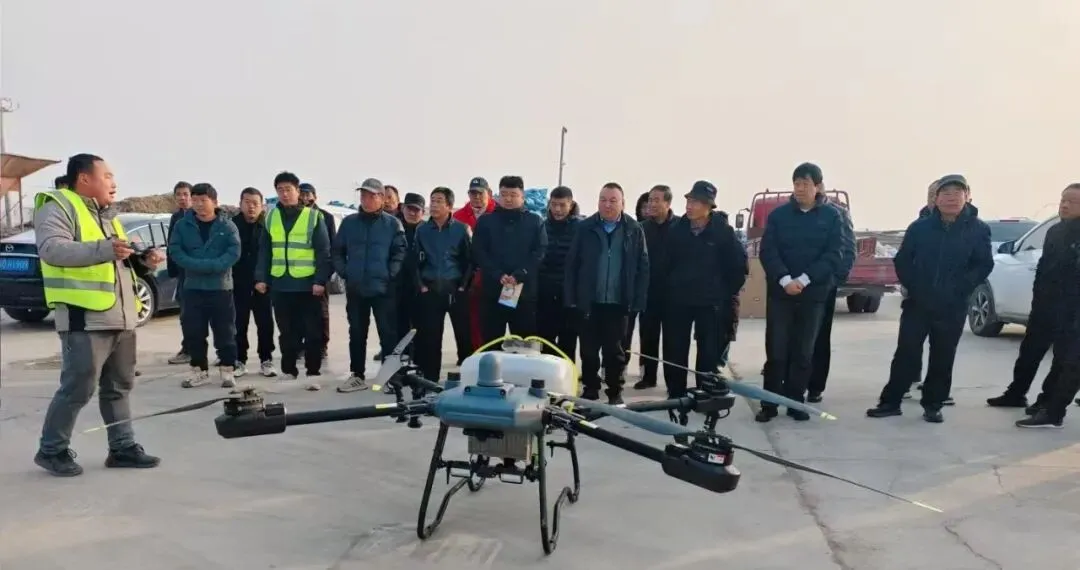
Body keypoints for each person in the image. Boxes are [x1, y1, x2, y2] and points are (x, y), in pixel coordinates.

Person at [33, 153, 163, 476]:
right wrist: (105, 249)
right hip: (85, 317)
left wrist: (142, 260)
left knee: (120, 386)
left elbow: (119, 260)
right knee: (78, 386)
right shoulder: (58, 206)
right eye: (107, 176)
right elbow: (51, 249)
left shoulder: (108, 217)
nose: (113, 183)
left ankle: (122, 447)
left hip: (121, 316)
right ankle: (51, 450)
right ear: (84, 179)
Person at [867, 174, 993, 423]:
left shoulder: (978, 230)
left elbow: (983, 264)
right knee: (906, 352)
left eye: (957, 193)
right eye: (945, 193)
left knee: (943, 356)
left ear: (967, 197)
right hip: (919, 303)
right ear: (936, 199)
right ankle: (891, 402)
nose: (951, 198)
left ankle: (933, 405)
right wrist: (915, 286)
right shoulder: (920, 228)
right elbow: (903, 260)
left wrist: (960, 288)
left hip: (952, 306)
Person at [758, 163, 846, 422]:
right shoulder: (779, 216)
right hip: (781, 293)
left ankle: (796, 402)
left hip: (813, 294)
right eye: (796, 183)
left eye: (805, 184)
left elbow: (834, 254)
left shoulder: (832, 217)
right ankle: (769, 404)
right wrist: (785, 279)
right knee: (776, 351)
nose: (799, 189)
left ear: (817, 186)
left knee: (804, 352)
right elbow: (768, 251)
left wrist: (805, 279)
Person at [662, 181, 747, 403]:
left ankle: (705, 393)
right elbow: (665, 265)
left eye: (696, 202)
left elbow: (739, 267)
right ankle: (676, 393)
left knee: (709, 352)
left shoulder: (723, 232)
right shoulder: (677, 230)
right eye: (688, 201)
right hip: (679, 301)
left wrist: (723, 294)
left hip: (710, 303)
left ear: (709, 206)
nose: (689, 206)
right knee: (674, 349)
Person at [564, 182, 648, 404]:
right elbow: (572, 265)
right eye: (603, 200)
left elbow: (643, 267)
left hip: (619, 302)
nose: (607, 205)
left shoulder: (633, 229)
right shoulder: (585, 228)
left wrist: (638, 300)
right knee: (589, 350)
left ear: (622, 203)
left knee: (615, 351)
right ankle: (590, 388)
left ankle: (615, 391)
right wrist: (571, 298)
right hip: (589, 301)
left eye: (613, 200)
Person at [255, 171, 333, 390]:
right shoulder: (271, 217)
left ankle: (313, 373)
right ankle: (289, 370)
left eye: (288, 189)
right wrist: (261, 277)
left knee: (313, 332)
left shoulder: (313, 217)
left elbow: (323, 251)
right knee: (287, 332)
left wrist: (320, 280)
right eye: (280, 190)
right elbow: (265, 251)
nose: (284, 194)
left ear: (298, 192)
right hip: (281, 284)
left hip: (308, 286)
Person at [1012, 184, 1080, 427]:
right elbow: (1044, 269)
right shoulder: (1055, 232)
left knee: (1071, 362)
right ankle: (1046, 402)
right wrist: (1040, 299)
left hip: (1074, 309)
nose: (1065, 205)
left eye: (1072, 201)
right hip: (1052, 306)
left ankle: (1054, 412)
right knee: (1058, 358)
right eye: (1063, 200)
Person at [333, 178, 407, 393]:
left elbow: (400, 252)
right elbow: (337, 251)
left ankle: (390, 377)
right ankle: (357, 375)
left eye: (371, 195)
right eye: (363, 195)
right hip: (356, 288)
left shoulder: (392, 224)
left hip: (383, 289)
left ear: (382, 198)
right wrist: (345, 272)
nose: (366, 199)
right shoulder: (349, 223)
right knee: (356, 333)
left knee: (388, 334)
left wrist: (389, 274)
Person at [168, 183, 242, 388]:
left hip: (221, 287)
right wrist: (195, 265)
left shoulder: (227, 226)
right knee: (194, 331)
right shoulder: (182, 225)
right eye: (195, 200)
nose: (199, 204)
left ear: (215, 202)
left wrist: (213, 266)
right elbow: (175, 250)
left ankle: (227, 370)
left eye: (203, 200)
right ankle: (199, 370)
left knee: (225, 331)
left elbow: (234, 252)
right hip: (193, 287)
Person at [473, 175, 547, 342]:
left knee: (524, 343)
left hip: (524, 294)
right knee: (491, 342)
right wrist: (497, 274)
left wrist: (520, 274)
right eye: (504, 194)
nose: (508, 199)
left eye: (513, 195)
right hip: (492, 292)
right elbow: (479, 251)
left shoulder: (534, 221)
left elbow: (540, 251)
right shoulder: (486, 221)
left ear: (522, 196)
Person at [415, 187, 474, 380]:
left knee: (464, 335)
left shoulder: (461, 229)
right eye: (432, 200)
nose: (434, 205)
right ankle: (430, 380)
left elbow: (470, 261)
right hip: (431, 290)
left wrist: (463, 286)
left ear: (449, 206)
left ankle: (468, 378)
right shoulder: (422, 230)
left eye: (439, 201)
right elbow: (415, 262)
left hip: (455, 290)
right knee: (431, 339)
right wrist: (422, 286)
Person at [805, 193, 856, 403]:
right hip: (795, 286)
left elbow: (848, 250)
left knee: (819, 337)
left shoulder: (837, 214)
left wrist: (834, 279)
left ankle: (815, 386)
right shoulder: (794, 212)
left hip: (823, 286)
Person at [634, 184, 680, 390]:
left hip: (673, 296)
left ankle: (673, 383)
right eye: (650, 200)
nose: (651, 204)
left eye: (656, 200)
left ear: (668, 203)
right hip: (649, 294)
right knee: (648, 338)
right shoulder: (642, 228)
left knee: (673, 342)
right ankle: (648, 376)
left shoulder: (680, 227)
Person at [232, 187, 277, 378]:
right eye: (247, 202)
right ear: (240, 204)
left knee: (265, 324)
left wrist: (265, 279)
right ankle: (239, 360)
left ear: (262, 206)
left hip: (263, 285)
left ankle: (266, 359)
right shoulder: (232, 226)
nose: (251, 207)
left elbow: (273, 256)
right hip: (238, 284)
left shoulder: (269, 226)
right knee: (238, 324)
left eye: (255, 203)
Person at [537, 186, 582, 360]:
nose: (557, 209)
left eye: (562, 205)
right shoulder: (541, 225)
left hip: (569, 296)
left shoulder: (580, 228)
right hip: (545, 294)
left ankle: (567, 373)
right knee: (544, 341)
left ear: (571, 204)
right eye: (554, 204)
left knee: (568, 342)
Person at [453, 177, 497, 349]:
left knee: (493, 318)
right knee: (469, 318)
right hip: (468, 278)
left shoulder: (498, 214)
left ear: (489, 193)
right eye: (473, 193)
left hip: (494, 276)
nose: (477, 197)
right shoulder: (458, 217)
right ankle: (472, 353)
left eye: (480, 193)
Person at [299, 182, 337, 363]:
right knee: (300, 312)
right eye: (302, 194)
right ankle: (302, 346)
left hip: (319, 272)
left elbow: (332, 246)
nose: (305, 198)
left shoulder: (325, 217)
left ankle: (322, 346)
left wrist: (327, 272)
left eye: (308, 194)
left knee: (321, 312)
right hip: (299, 273)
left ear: (315, 196)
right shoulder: (294, 216)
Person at [167, 181, 194, 365]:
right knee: (185, 313)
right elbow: (171, 244)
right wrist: (173, 269)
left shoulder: (199, 216)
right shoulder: (176, 217)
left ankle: (222, 352)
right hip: (183, 274)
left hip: (198, 270)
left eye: (185, 194)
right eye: (179, 194)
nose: (182, 198)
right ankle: (188, 348)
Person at [396, 193, 426, 346]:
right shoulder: (394, 228)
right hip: (398, 286)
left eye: (417, 210)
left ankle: (419, 357)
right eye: (409, 209)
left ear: (423, 212)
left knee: (421, 328)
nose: (412, 213)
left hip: (421, 287)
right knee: (399, 327)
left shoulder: (428, 230)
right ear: (403, 208)